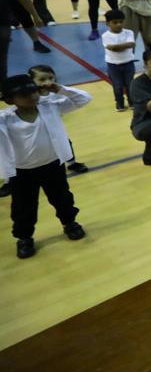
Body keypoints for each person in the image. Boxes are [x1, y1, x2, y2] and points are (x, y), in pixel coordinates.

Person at [0, 73, 90, 259]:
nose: (32, 96)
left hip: (52, 165)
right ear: (10, 100)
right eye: (24, 94)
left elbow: (83, 99)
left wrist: (59, 89)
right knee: (23, 207)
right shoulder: (5, 118)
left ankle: (69, 223)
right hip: (22, 172)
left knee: (62, 198)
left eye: (33, 91)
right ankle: (24, 237)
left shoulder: (51, 106)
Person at [100, 10, 136, 112]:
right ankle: (119, 103)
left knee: (130, 84)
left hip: (128, 63)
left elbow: (131, 44)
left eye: (121, 22)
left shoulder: (129, 32)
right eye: (115, 22)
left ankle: (132, 102)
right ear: (107, 23)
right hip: (113, 66)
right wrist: (124, 45)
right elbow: (113, 48)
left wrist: (116, 47)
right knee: (117, 86)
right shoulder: (105, 36)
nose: (119, 24)